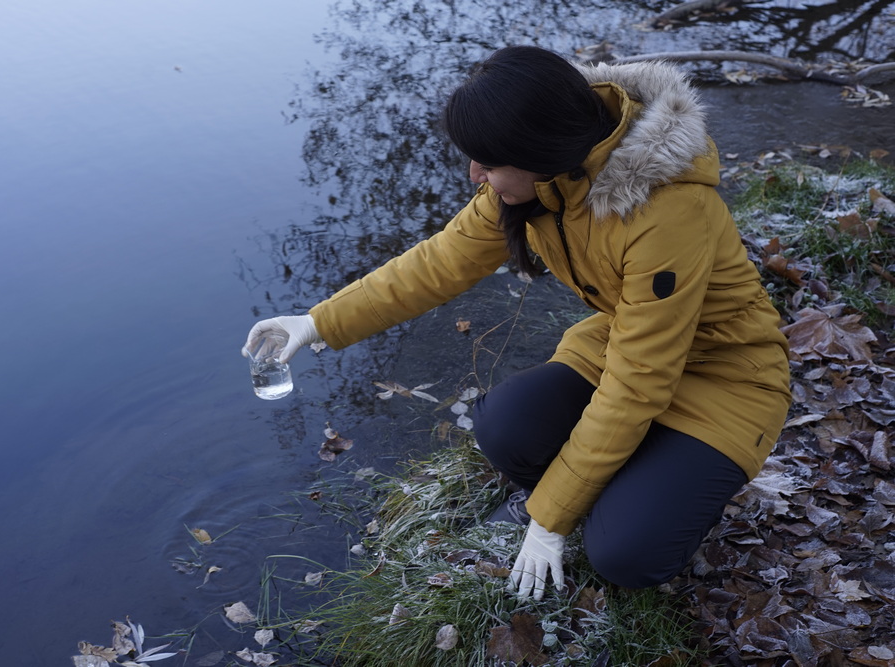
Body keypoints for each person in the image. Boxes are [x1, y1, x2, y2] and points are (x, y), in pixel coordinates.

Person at [242, 46, 791, 601]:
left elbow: (639, 382)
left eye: (488, 160)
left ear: (539, 148)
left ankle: (642, 500)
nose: (474, 173)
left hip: (725, 378)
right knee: (505, 427)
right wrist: (316, 323)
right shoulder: (540, 184)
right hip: (623, 346)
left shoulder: (665, 210)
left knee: (624, 554)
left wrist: (549, 519)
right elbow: (437, 263)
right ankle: (625, 486)